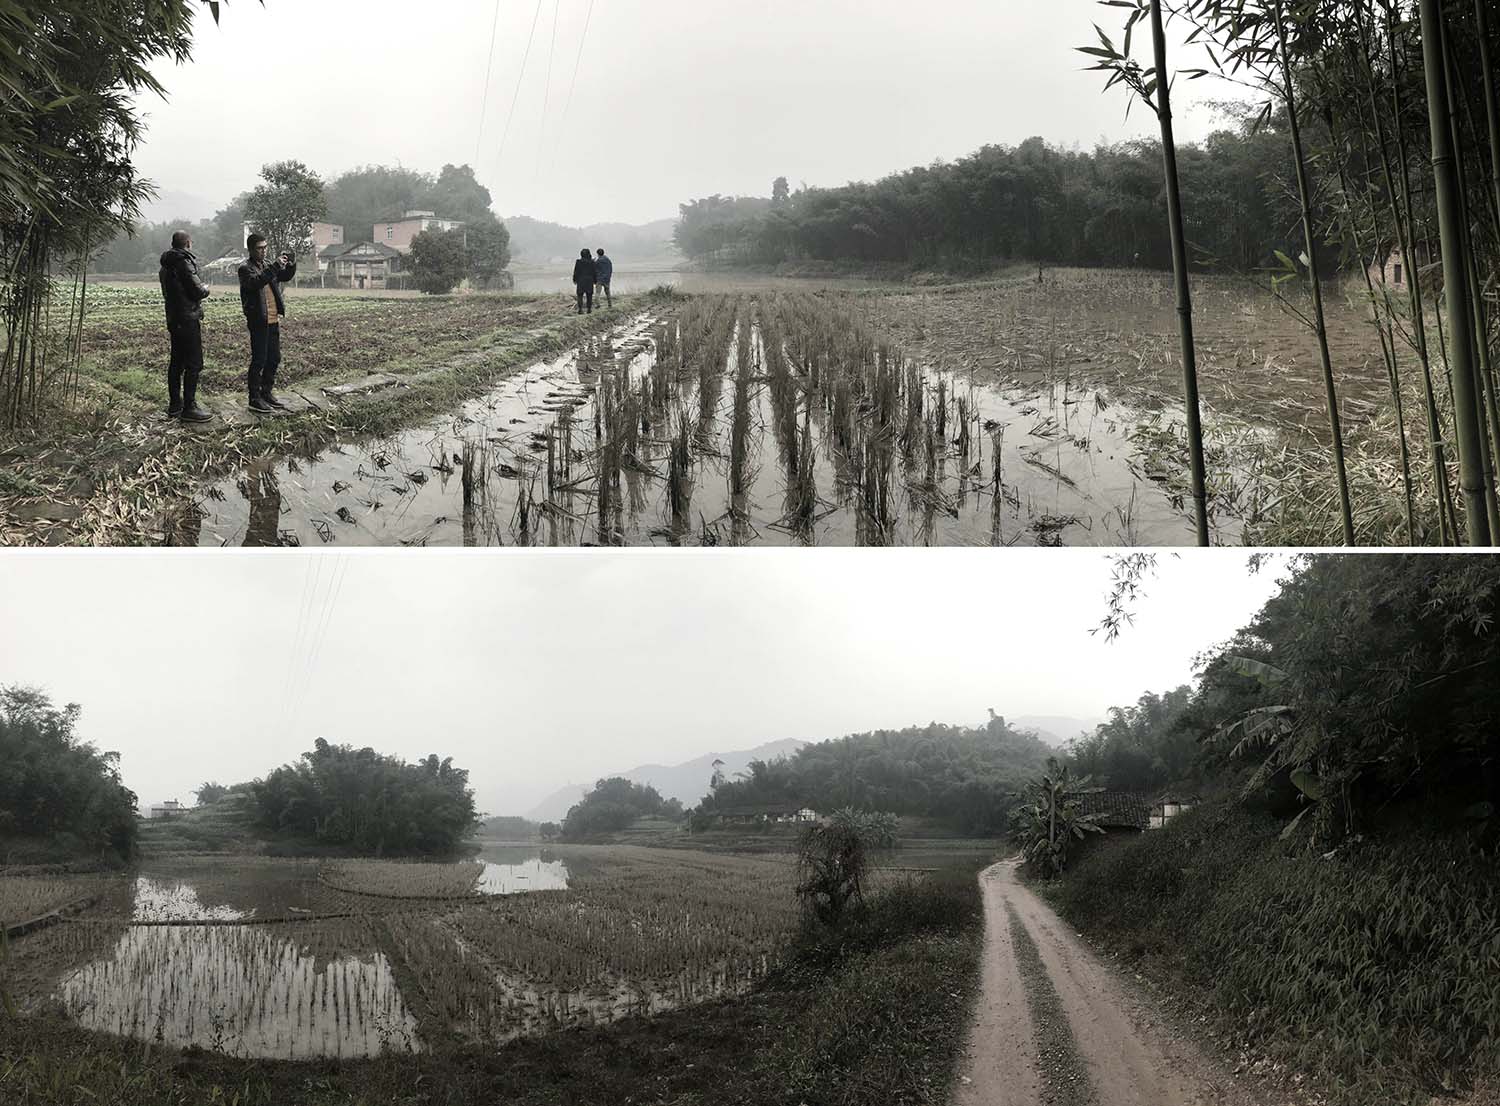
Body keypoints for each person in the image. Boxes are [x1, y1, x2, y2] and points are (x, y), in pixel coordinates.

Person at [237, 233, 296, 413]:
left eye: (265, 247)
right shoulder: (245, 269)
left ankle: (266, 392)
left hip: (272, 319)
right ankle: (254, 398)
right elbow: (255, 283)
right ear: (251, 250)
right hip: (258, 321)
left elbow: (283, 276)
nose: (263, 251)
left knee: (274, 358)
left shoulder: (266, 265)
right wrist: (274, 266)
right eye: (260, 248)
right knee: (259, 360)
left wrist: (291, 263)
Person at [158, 230, 213, 422]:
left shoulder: (165, 266)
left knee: (176, 363)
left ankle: (175, 405)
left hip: (174, 318)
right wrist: (206, 289)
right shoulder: (184, 262)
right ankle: (190, 407)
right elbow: (197, 290)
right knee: (194, 363)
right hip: (188, 318)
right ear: (188, 243)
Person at [572, 248, 597, 314]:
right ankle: (589, 309)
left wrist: (574, 279)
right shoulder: (592, 262)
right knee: (589, 295)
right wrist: (595, 280)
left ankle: (580, 309)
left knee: (580, 295)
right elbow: (594, 272)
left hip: (580, 280)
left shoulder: (578, 262)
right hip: (589, 281)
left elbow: (576, 272)